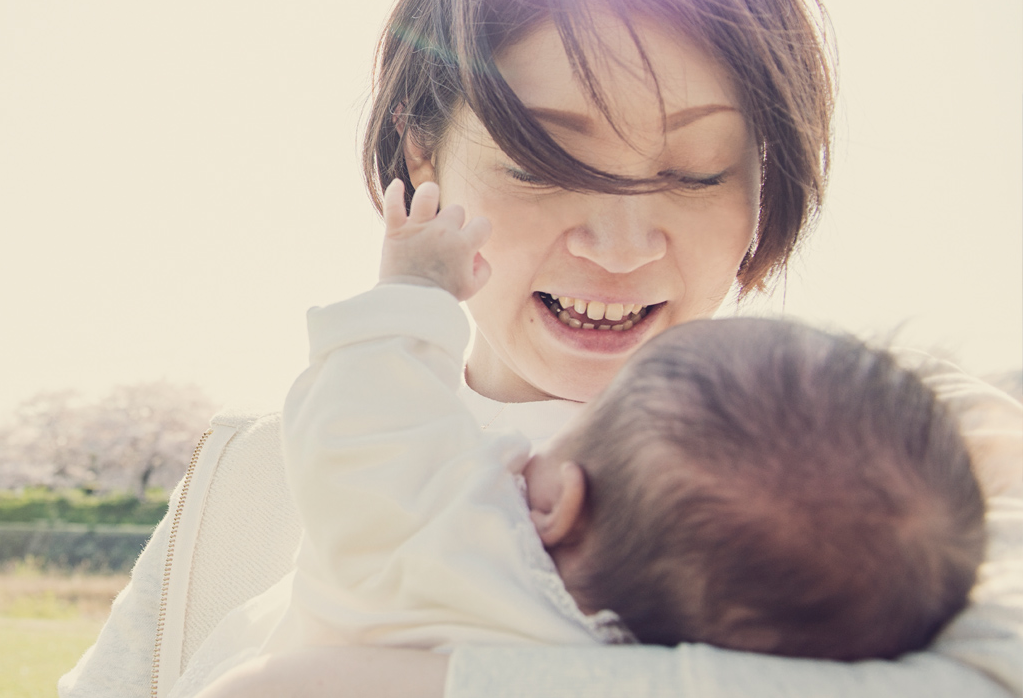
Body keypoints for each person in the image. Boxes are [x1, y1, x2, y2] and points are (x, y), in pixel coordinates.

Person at [0, 0, 1021, 698]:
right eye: (545, 161)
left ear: (765, 177)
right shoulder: (240, 486)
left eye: (698, 173)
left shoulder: (912, 452)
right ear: (420, 152)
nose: (620, 245)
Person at [263, 177, 985, 668]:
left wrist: (413, 291)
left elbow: (356, 439)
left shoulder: (451, 550)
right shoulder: (632, 689)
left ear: (556, 502)